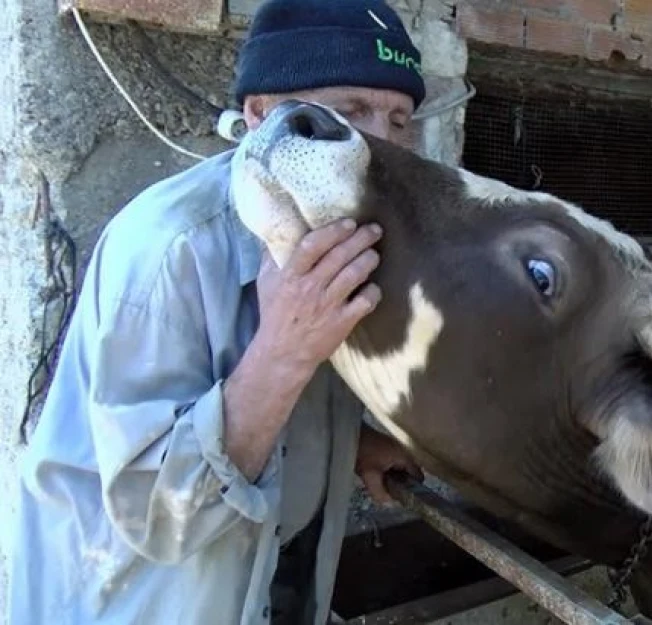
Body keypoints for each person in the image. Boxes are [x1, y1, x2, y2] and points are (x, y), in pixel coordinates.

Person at [6, 1, 428, 623]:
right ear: (260, 117)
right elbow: (158, 514)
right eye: (349, 111)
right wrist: (285, 348)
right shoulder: (167, 250)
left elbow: (286, 414)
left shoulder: (334, 230)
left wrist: (349, 446)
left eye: (399, 119)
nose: (383, 145)